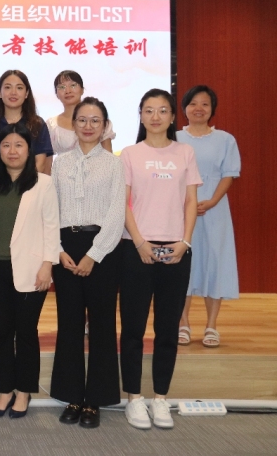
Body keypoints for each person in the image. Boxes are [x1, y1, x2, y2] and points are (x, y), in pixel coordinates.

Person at [120, 89, 201, 430]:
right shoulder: (129, 154)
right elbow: (123, 203)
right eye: (149, 110)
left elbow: (190, 201)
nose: (155, 116)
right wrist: (140, 242)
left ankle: (161, 398)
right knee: (133, 329)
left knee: (167, 329)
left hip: (176, 250)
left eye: (162, 110)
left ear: (171, 116)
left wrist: (184, 241)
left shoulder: (185, 152)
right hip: (136, 248)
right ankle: (134, 398)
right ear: (140, 115)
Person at [50, 97, 125, 429]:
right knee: (68, 324)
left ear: (105, 126)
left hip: (102, 251)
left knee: (102, 325)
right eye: (82, 120)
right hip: (65, 249)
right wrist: (56, 249)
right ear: (74, 124)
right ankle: (71, 397)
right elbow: (50, 211)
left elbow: (116, 214)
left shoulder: (114, 164)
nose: (88, 126)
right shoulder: (59, 163)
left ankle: (95, 399)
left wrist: (94, 255)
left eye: (96, 120)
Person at [0, 123, 59, 419]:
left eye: (19, 145)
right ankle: (4, 391)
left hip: (31, 269)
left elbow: (51, 226)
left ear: (29, 150)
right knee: (2, 332)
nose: (12, 151)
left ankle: (24, 391)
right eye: (6, 145)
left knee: (26, 332)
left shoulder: (43, 183)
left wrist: (47, 264)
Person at [177, 86, 241, 348]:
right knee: (183, 265)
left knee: (215, 263)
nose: (198, 109)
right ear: (184, 108)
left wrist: (213, 201)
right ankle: (182, 323)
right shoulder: (175, 138)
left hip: (215, 211)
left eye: (205, 104)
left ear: (212, 109)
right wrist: (186, 203)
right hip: (181, 210)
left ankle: (211, 325)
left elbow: (229, 173)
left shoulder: (225, 139)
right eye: (193, 103)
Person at [0, 70, 53, 177]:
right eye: (8, 87)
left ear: (27, 93)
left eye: (19, 88)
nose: (13, 92)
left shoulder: (37, 124)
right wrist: (0, 182)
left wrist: (21, 183)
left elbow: (41, 163)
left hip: (31, 184)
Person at [45, 71, 116, 173]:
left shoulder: (99, 121)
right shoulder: (52, 124)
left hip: (95, 175)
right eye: (62, 87)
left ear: (82, 90)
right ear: (56, 94)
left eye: (73, 85)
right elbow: (48, 162)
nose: (68, 91)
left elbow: (108, 157)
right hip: (63, 176)